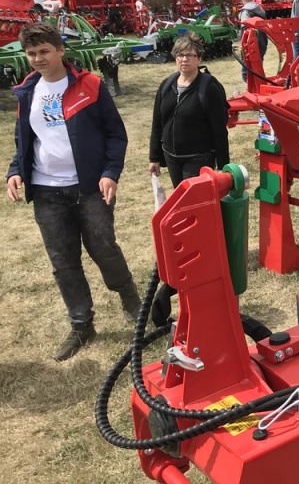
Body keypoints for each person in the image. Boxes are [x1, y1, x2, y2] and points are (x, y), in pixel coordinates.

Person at [6, 22, 140, 361]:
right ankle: (81, 324)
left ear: (61, 50)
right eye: (31, 53)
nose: (38, 59)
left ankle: (132, 303)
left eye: (44, 51)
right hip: (47, 192)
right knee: (63, 262)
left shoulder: (90, 85)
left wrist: (111, 173)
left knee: (104, 249)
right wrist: (16, 171)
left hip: (90, 188)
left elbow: (115, 134)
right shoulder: (27, 91)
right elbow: (24, 139)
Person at [149, 33, 230, 187]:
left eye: (190, 55)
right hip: (171, 157)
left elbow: (219, 129)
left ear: (199, 58)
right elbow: (157, 122)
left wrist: (223, 166)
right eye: (180, 55)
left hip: (198, 158)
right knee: (180, 201)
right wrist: (154, 157)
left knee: (195, 202)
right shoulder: (167, 85)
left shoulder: (209, 88)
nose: (184, 59)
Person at [238, 0, 268, 82]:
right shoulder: (259, 9)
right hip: (262, 41)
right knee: (258, 65)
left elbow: (245, 30)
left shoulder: (245, 12)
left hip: (251, 44)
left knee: (246, 72)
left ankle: (252, 87)